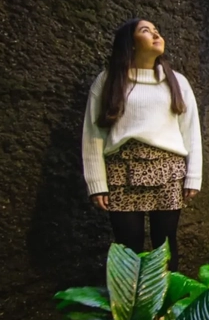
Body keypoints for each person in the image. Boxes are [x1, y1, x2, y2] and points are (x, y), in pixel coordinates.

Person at [82, 19, 202, 272]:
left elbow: (190, 130)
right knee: (127, 246)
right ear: (130, 43)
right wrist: (97, 183)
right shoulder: (108, 81)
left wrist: (193, 176)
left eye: (157, 30)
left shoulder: (177, 81)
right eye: (146, 31)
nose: (156, 34)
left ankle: (166, 306)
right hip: (121, 171)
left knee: (165, 244)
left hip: (168, 171)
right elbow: (93, 134)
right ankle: (129, 307)